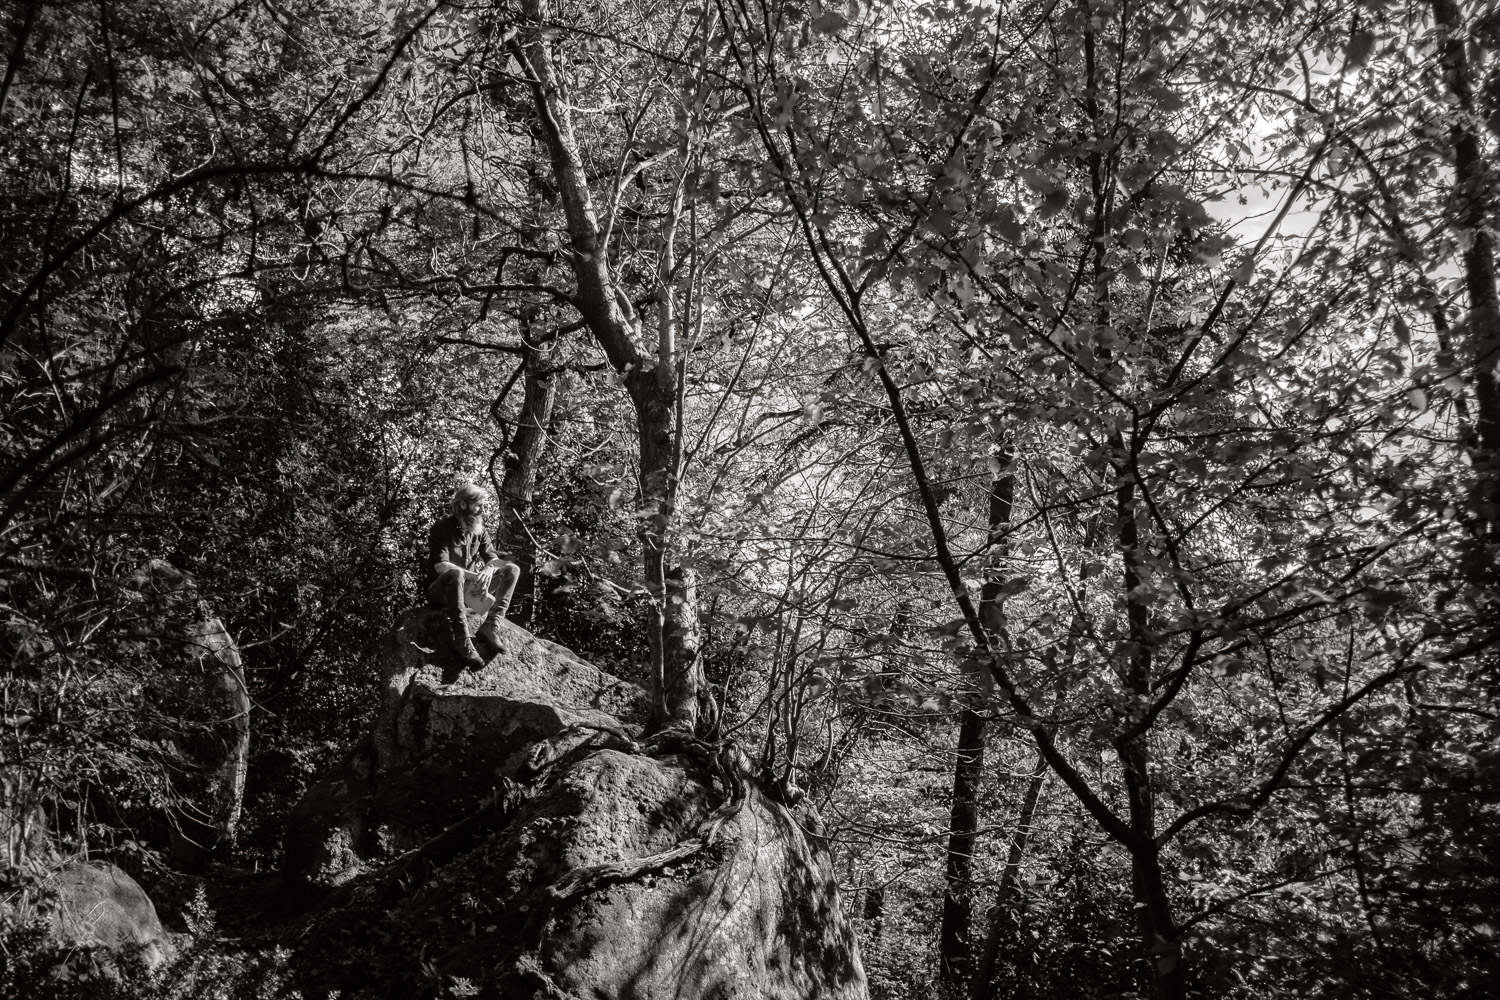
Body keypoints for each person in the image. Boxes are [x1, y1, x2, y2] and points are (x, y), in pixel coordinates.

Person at [426, 483, 520, 669]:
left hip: (468, 591)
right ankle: (462, 640)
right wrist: (475, 576)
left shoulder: (480, 531)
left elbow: (493, 559)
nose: (482, 509)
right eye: (478, 505)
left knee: (512, 569)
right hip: (441, 591)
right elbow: (440, 566)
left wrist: (487, 570)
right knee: (455, 573)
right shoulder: (441, 527)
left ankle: (491, 626)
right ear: (462, 505)